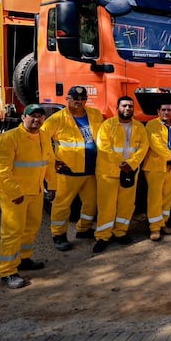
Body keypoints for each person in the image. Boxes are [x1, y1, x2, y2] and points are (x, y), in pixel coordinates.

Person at [0, 104, 56, 288]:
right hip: (14, 195)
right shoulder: (9, 138)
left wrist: (52, 185)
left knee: (31, 227)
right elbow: (1, 170)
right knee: (13, 232)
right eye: (32, 116)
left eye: (40, 116)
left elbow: (49, 162)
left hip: (35, 192)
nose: (36, 119)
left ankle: (24, 259)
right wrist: (15, 193)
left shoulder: (44, 136)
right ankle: (8, 271)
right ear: (23, 118)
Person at [40, 85, 103, 252]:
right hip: (68, 171)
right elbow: (41, 139)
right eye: (75, 98)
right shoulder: (57, 119)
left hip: (91, 169)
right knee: (62, 204)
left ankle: (83, 229)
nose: (79, 101)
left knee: (91, 202)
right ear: (67, 99)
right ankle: (59, 235)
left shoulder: (95, 114)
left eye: (83, 99)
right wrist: (52, 161)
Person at [93, 97, 149, 254]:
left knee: (127, 204)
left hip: (130, 172)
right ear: (117, 108)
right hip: (108, 173)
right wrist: (121, 164)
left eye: (130, 106)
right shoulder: (107, 125)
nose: (127, 108)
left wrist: (130, 164)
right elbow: (104, 147)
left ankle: (120, 232)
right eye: (124, 105)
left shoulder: (139, 127)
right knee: (106, 206)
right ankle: (103, 236)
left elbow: (143, 147)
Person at [143, 101, 171, 241]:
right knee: (155, 198)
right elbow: (156, 144)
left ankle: (163, 223)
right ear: (158, 111)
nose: (166, 112)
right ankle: (154, 228)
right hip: (156, 167)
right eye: (163, 110)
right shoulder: (152, 125)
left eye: (169, 110)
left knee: (168, 195)